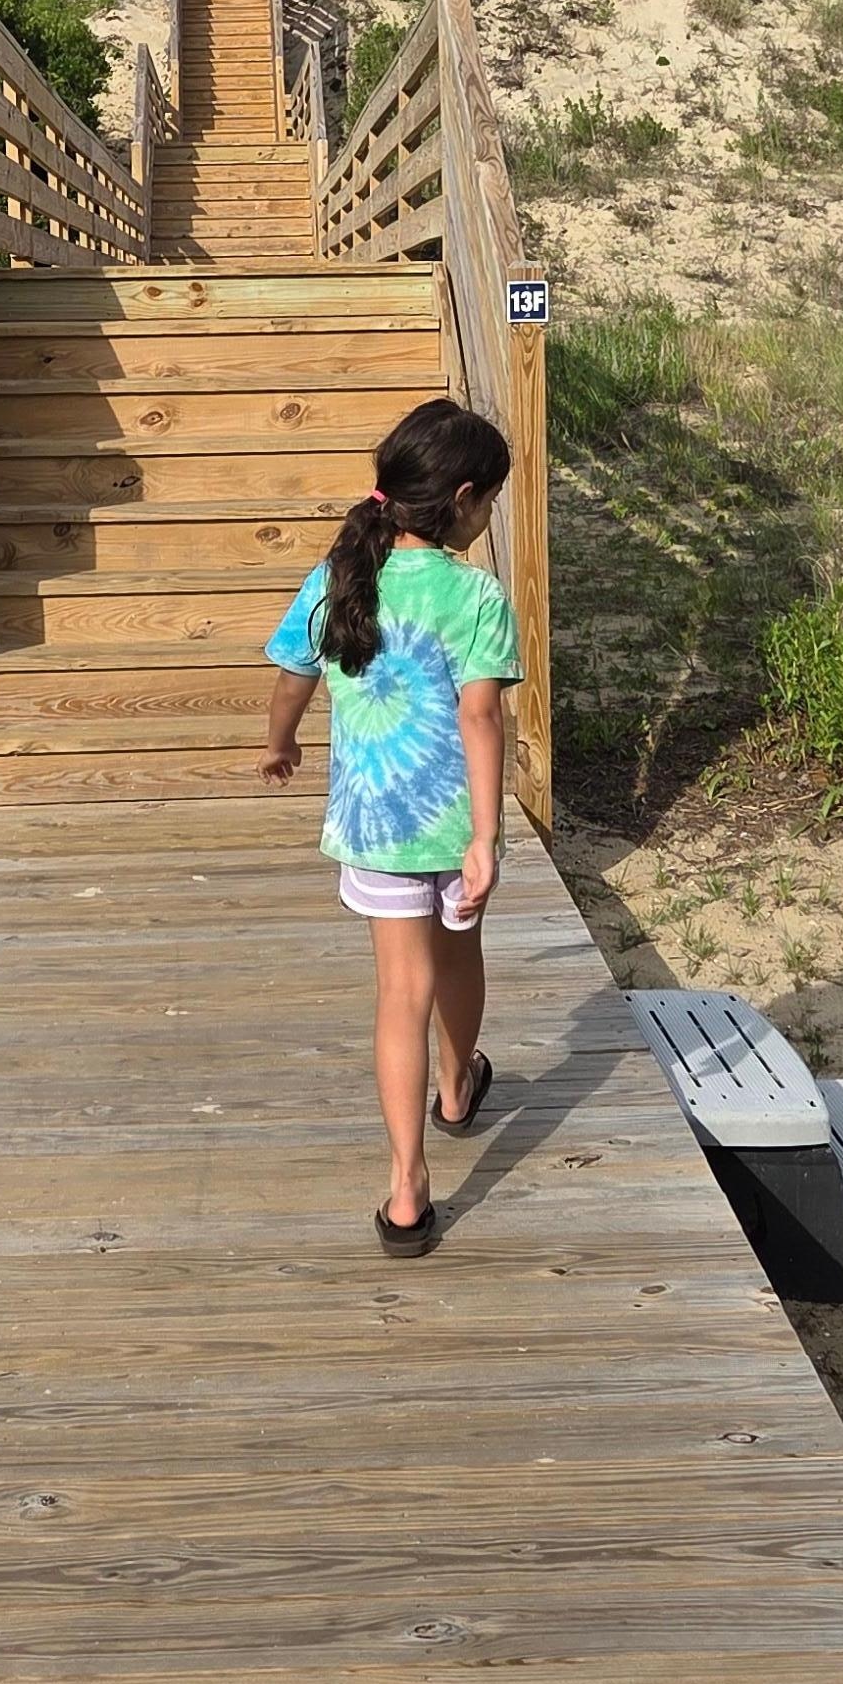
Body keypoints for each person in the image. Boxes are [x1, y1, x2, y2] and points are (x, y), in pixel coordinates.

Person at [259, 394, 519, 1256]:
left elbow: (293, 675)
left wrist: (281, 741)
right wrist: (483, 837)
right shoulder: (474, 594)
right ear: (465, 497)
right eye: (488, 504)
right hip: (453, 826)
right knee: (460, 962)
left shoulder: (337, 577)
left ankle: (406, 1190)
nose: (486, 519)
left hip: (375, 828)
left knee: (399, 996)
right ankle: (456, 1088)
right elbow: (482, 719)